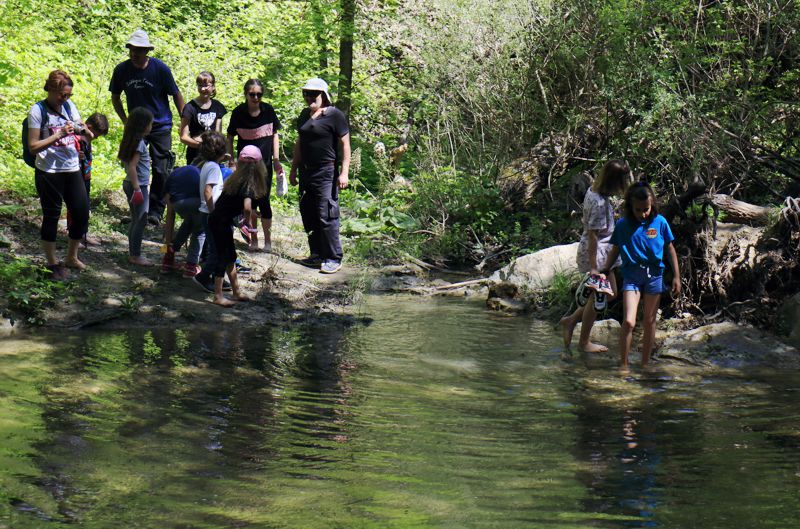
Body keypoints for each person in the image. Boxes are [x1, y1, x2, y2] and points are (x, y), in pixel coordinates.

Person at [601, 182, 681, 369]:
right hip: (632, 277)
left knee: (649, 320)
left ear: (652, 204)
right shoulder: (622, 225)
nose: (643, 213)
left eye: (646, 209)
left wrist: (677, 276)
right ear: (630, 206)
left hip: (654, 276)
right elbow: (615, 249)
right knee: (629, 321)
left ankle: (645, 364)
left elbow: (670, 249)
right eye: (638, 210)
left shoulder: (660, 222)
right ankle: (624, 364)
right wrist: (605, 268)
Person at [109, 29, 184, 226]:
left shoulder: (160, 69)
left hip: (160, 125)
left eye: (140, 49)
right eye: (132, 49)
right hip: (136, 127)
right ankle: (138, 208)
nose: (135, 53)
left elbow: (176, 94)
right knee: (134, 165)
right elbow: (115, 97)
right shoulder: (122, 70)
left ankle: (155, 212)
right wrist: (126, 120)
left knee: (161, 168)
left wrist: (185, 120)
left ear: (147, 51)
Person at [560, 160, 630, 352]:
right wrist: (594, 268)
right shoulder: (598, 202)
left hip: (604, 252)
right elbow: (593, 235)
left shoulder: (594, 191)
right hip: (598, 255)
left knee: (611, 293)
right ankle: (583, 342)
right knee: (600, 295)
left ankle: (571, 320)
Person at [27, 70, 89, 280]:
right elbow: (33, 146)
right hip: (49, 171)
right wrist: (59, 134)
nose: (66, 99)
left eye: (69, 95)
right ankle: (52, 262)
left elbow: (81, 126)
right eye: (63, 94)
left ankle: (72, 256)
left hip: (72, 168)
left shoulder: (69, 107)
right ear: (52, 90)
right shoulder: (37, 111)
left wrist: (81, 129)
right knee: (51, 216)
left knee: (81, 213)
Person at [289, 78, 350, 274]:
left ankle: (333, 257)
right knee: (308, 212)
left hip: (326, 171)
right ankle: (316, 254)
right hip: (306, 172)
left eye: (313, 94)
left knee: (327, 214)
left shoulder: (334, 115)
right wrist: (293, 169)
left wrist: (344, 172)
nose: (309, 97)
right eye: (305, 93)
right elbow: (299, 143)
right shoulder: (303, 116)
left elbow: (345, 145)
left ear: (323, 95)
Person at [226, 78, 283, 252]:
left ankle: (268, 241)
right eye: (252, 94)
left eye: (259, 94)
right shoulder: (238, 113)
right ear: (246, 94)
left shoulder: (268, 111)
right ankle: (253, 239)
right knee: (248, 202)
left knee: (264, 201)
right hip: (245, 166)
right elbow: (230, 136)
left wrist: (276, 159)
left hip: (264, 165)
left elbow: (274, 135)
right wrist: (231, 159)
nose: (256, 98)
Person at [207, 145, 267, 306]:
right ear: (258, 165)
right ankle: (218, 296)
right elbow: (247, 206)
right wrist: (247, 221)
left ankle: (236, 291)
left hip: (219, 220)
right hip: (220, 223)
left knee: (231, 256)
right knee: (223, 257)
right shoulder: (249, 183)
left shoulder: (235, 179)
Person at [192, 131, 230, 293]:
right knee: (217, 249)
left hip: (205, 212)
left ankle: (216, 277)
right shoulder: (214, 168)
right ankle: (204, 276)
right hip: (210, 213)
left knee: (215, 246)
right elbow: (208, 191)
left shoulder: (207, 165)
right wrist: (214, 212)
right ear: (221, 152)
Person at [117, 107, 154, 266]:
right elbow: (132, 167)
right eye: (150, 123)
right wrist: (138, 188)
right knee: (141, 220)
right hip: (137, 186)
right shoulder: (139, 143)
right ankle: (135, 255)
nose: (151, 126)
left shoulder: (130, 140)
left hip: (130, 184)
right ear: (143, 125)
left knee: (136, 219)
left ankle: (133, 252)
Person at [70, 112, 109, 246]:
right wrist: (77, 155)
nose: (95, 138)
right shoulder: (77, 137)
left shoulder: (87, 140)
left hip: (86, 176)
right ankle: (75, 236)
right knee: (75, 207)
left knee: (85, 206)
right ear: (89, 127)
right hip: (76, 175)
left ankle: (83, 235)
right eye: (96, 135)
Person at [161, 165, 205, 277]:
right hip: (197, 201)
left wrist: (166, 245)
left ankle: (167, 260)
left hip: (178, 203)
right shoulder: (198, 172)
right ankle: (191, 266)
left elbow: (170, 215)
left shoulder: (171, 179)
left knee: (189, 223)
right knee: (199, 230)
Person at [180, 71, 226, 165]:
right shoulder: (190, 107)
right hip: (195, 154)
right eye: (200, 85)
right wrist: (201, 145)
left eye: (206, 85)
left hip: (213, 154)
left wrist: (219, 150)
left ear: (213, 87)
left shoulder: (218, 106)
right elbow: (183, 137)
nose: (203, 88)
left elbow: (218, 133)